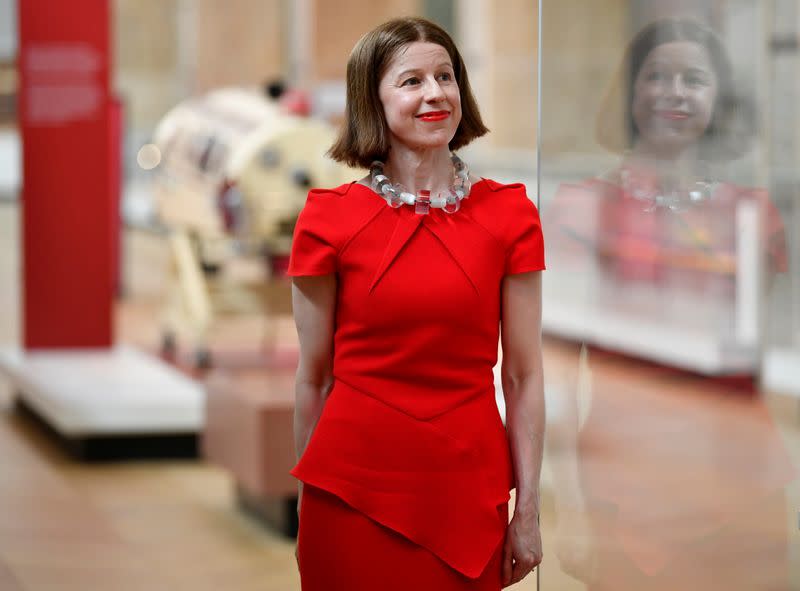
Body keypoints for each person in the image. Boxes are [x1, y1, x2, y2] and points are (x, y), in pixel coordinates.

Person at [287, 16, 546, 591]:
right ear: (371, 100)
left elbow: (525, 378)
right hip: (349, 495)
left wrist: (527, 510)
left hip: (465, 488)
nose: (435, 93)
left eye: (446, 76)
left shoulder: (510, 215)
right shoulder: (328, 219)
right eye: (411, 81)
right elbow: (312, 379)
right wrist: (307, 502)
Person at [543, 18, 796, 590]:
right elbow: (555, 370)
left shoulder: (753, 214)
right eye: (656, 76)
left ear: (718, 99)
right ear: (631, 94)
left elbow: (755, 358)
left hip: (743, 485)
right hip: (628, 486)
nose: (675, 93)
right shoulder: (586, 209)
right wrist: (572, 509)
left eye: (694, 79)